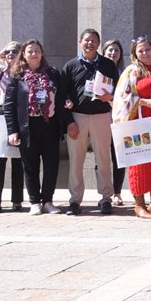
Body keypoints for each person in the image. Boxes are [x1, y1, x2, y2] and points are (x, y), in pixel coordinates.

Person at [112, 37, 151, 218]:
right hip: (139, 125)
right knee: (139, 165)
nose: (145, 53)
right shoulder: (131, 72)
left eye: (148, 49)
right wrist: (142, 101)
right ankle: (139, 205)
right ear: (135, 54)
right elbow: (121, 98)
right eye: (141, 51)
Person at [4, 40, 69, 215]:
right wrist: (13, 131)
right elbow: (9, 106)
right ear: (23, 55)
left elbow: (62, 98)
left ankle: (48, 200)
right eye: (30, 51)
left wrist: (67, 109)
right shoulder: (17, 77)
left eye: (37, 51)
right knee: (30, 165)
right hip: (28, 126)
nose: (34, 54)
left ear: (42, 54)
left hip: (50, 124)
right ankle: (34, 201)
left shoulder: (53, 73)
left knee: (51, 164)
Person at [62, 29, 119, 215]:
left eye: (94, 40)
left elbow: (118, 92)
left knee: (103, 158)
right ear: (80, 42)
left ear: (99, 43)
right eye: (87, 40)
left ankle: (105, 198)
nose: (90, 43)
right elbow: (62, 96)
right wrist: (69, 121)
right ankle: (75, 200)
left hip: (102, 116)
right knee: (76, 160)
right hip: (77, 117)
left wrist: (109, 97)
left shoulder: (108, 64)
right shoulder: (70, 66)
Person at [0, 42, 25, 212]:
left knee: (18, 158)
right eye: (8, 52)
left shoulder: (24, 73)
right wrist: (2, 50)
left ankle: (17, 200)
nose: (10, 55)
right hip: (0, 112)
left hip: (18, 114)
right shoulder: (0, 71)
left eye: (15, 52)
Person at [101, 39, 127, 206]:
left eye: (116, 50)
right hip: (101, 117)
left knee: (118, 158)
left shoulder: (125, 73)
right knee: (101, 158)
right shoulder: (99, 71)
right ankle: (104, 192)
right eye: (110, 50)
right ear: (104, 52)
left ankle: (117, 192)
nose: (113, 53)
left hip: (120, 119)